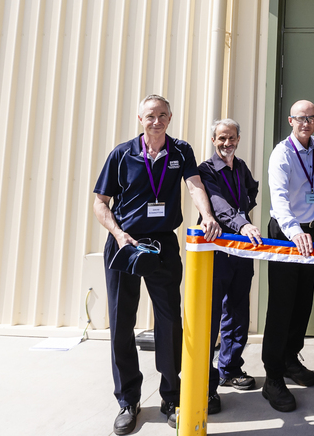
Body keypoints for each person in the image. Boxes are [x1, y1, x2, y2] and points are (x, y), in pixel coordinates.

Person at [92, 94, 221, 435]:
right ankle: (128, 400)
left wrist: (207, 215)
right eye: (151, 115)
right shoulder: (122, 154)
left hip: (162, 244)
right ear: (140, 118)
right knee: (121, 322)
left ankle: (170, 395)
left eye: (163, 115)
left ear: (170, 117)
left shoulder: (180, 151)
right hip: (126, 245)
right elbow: (100, 203)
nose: (157, 120)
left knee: (169, 320)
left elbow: (194, 185)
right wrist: (119, 234)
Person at [261, 100, 314, 412]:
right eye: (301, 118)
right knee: (282, 305)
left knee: (303, 302)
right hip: (287, 235)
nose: (306, 123)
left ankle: (290, 359)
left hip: (311, 234)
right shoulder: (282, 154)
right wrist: (294, 230)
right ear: (290, 120)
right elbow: (280, 198)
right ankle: (273, 376)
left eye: (311, 118)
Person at [196, 118, 264, 414]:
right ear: (214, 140)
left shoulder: (242, 167)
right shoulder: (205, 170)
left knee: (238, 309)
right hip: (217, 250)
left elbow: (251, 194)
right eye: (221, 138)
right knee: (211, 318)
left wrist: (244, 222)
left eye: (232, 137)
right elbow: (219, 206)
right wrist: (244, 224)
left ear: (238, 138)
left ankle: (231, 368)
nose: (227, 143)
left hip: (241, 252)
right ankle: (206, 387)